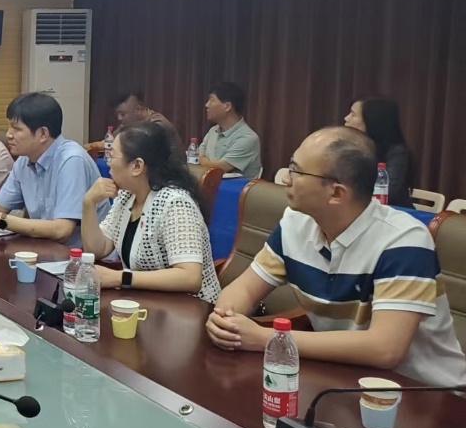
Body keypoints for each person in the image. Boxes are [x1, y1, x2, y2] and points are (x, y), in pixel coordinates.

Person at [206, 127, 466, 386]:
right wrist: (227, 320)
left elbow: (385, 349)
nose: (286, 179)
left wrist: (268, 339)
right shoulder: (296, 223)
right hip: (344, 379)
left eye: (296, 171)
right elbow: (245, 289)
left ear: (337, 193)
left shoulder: (403, 240)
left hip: (425, 392)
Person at [80, 120, 220, 302]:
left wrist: (120, 277)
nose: (108, 163)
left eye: (112, 156)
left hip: (191, 308)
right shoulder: (127, 196)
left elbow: (190, 277)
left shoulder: (175, 203)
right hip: (149, 301)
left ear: (137, 166)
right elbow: (98, 249)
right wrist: (88, 203)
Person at [0, 93, 106, 246]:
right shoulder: (25, 159)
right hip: (44, 249)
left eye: (16, 128)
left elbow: (62, 230)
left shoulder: (71, 160)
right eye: (9, 126)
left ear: (43, 134)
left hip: (83, 256)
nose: (8, 134)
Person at [344, 97, 415, 208]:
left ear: (371, 120)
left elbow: (388, 192)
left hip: (391, 211)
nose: (346, 118)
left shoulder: (397, 152)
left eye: (353, 114)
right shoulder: (350, 146)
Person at [86, 91, 184, 160]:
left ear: (138, 110)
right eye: (117, 114)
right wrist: (93, 146)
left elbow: (141, 154)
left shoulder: (158, 125)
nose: (119, 118)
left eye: (123, 114)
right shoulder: (130, 123)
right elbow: (109, 142)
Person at [198, 81, 262, 178]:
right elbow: (197, 154)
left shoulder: (248, 138)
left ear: (227, 106)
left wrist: (202, 159)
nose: (207, 105)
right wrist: (202, 159)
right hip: (208, 184)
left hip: (236, 187)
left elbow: (217, 169)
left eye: (211, 100)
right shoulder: (213, 131)